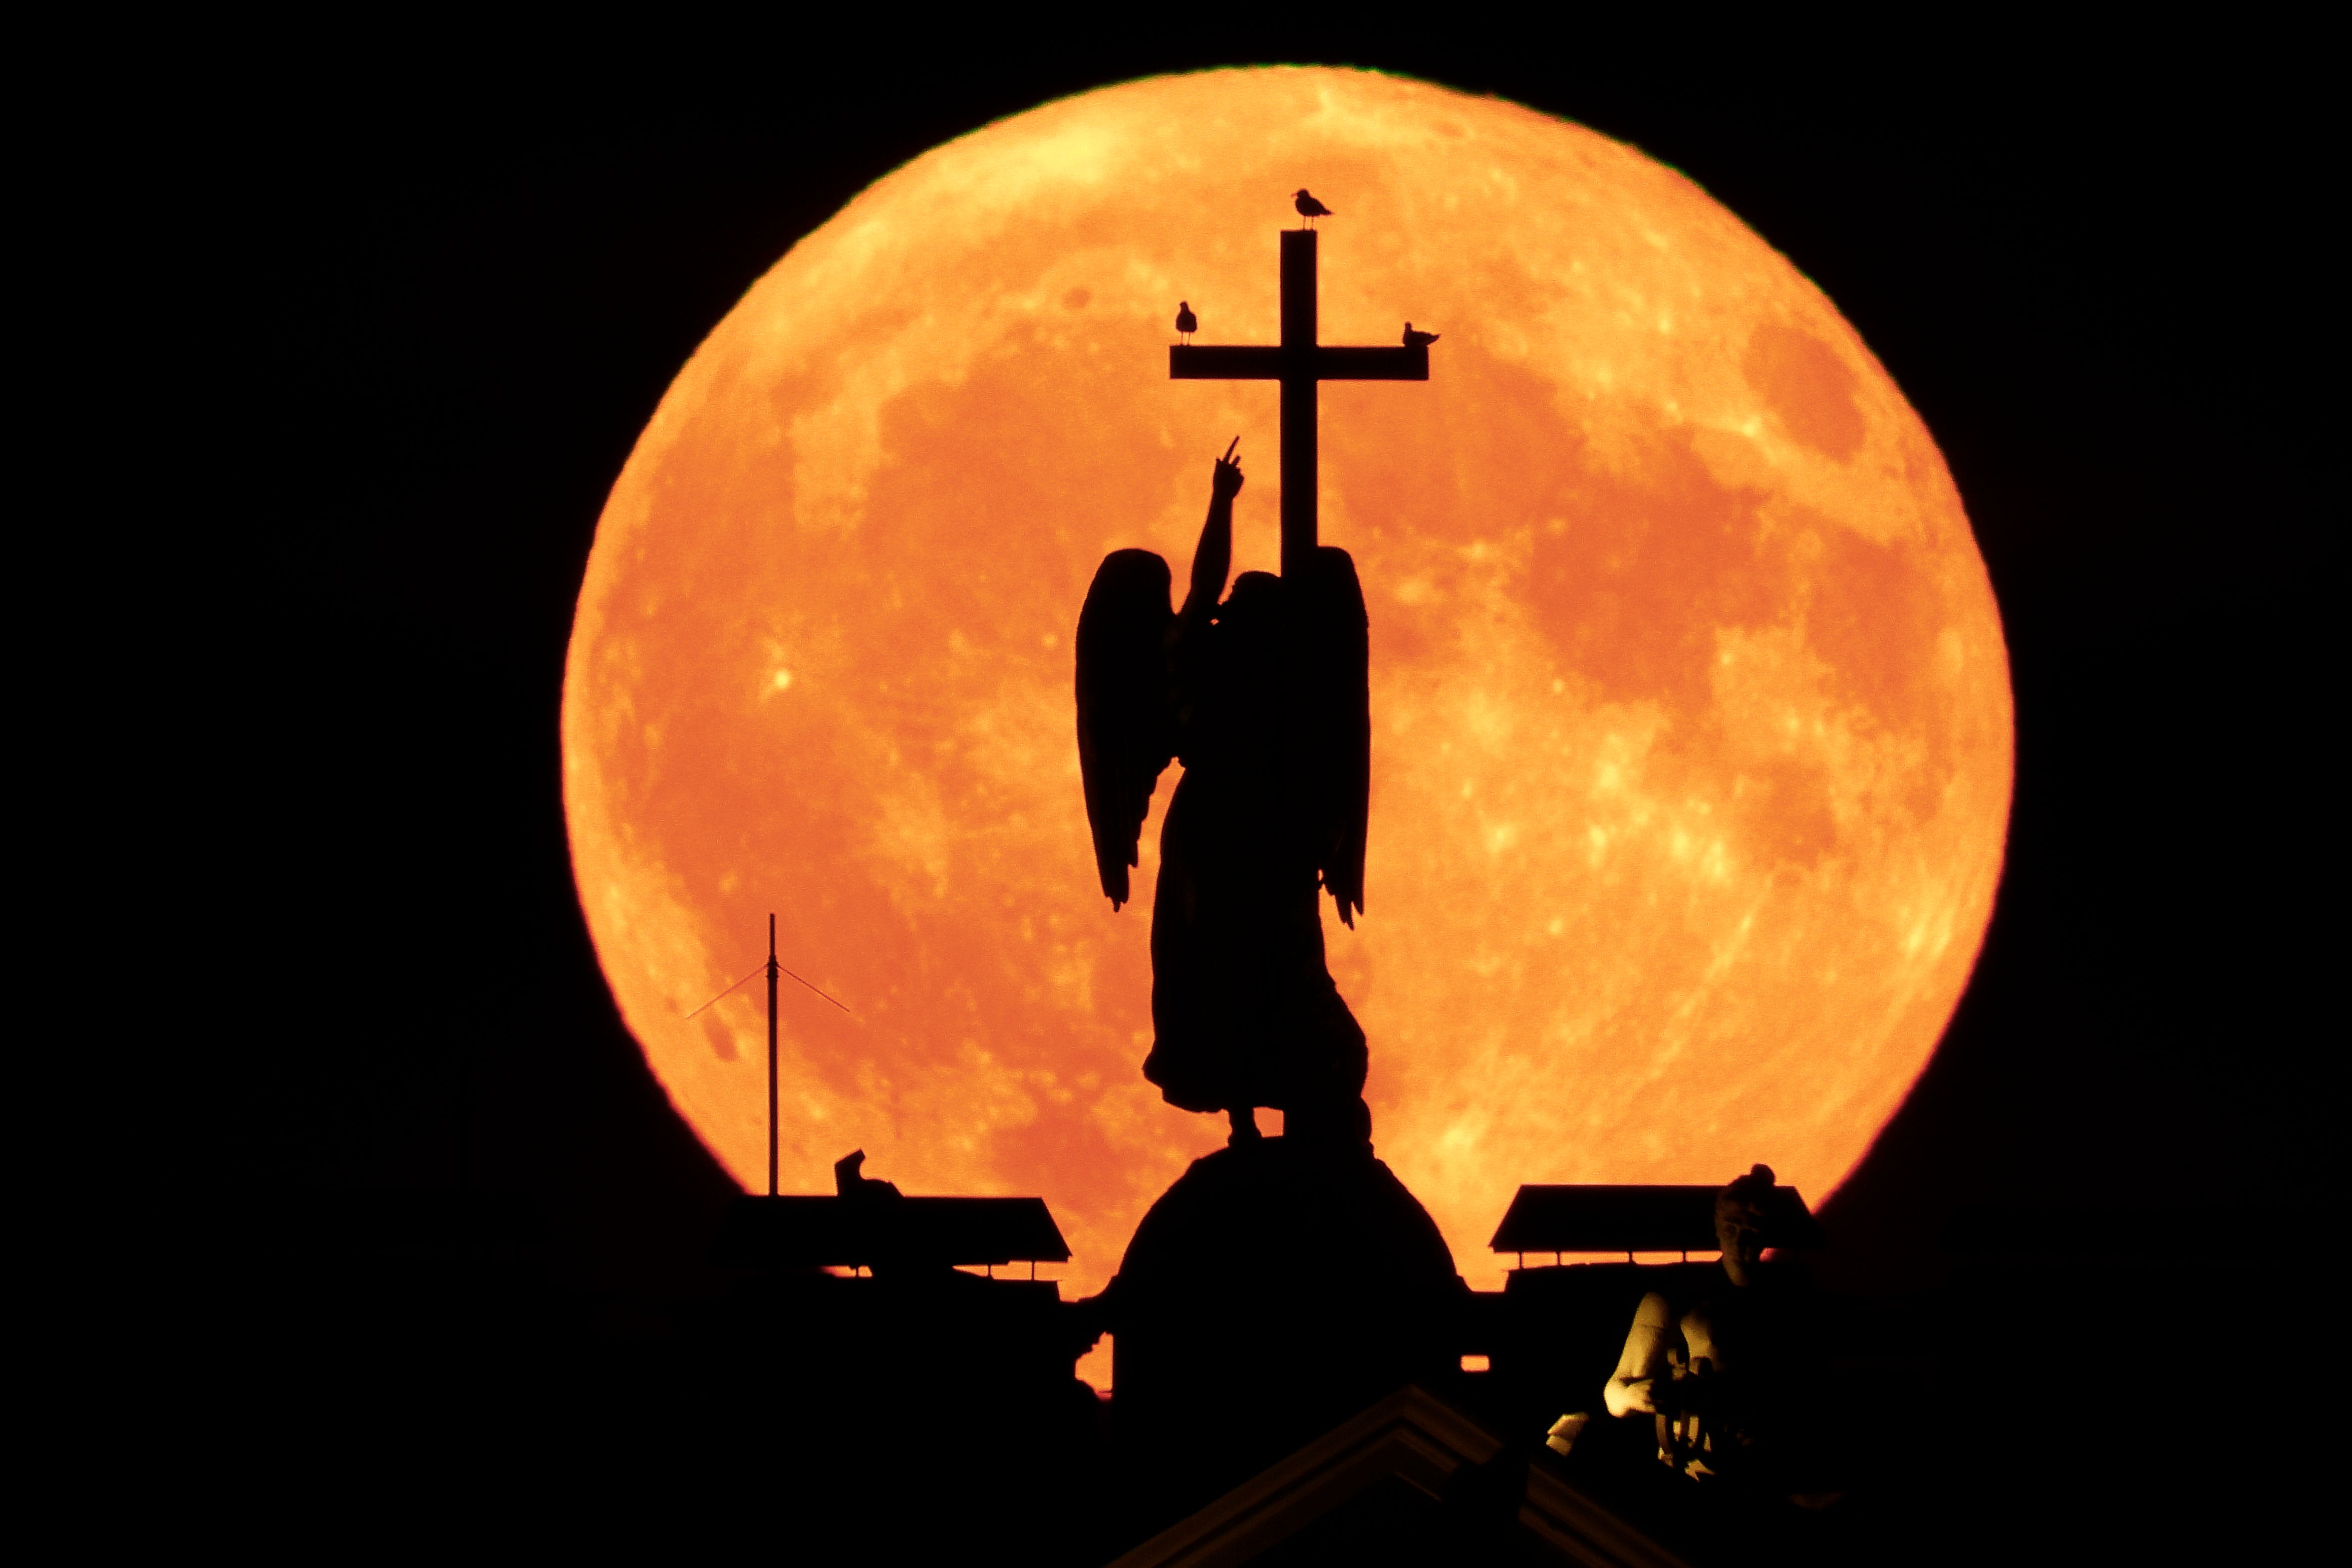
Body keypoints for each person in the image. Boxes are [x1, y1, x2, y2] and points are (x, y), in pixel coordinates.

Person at [1601, 1165, 1838, 1505]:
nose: (1742, 1238)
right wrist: (1637, 1396)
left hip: (1775, 1468)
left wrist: (1777, 1424)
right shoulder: (1673, 1299)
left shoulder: (1791, 1301)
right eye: (1732, 1226)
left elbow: (1812, 1387)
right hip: (1698, 1471)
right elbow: (1615, 1392)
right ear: (1717, 1227)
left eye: (1752, 1228)